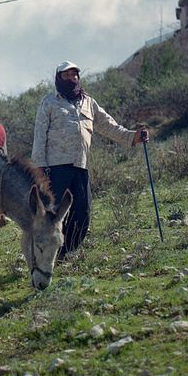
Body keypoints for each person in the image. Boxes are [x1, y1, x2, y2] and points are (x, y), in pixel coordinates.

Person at [31, 60, 148, 260]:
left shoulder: (89, 103)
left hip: (80, 166)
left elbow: (109, 126)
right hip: (55, 169)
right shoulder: (49, 102)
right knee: (53, 215)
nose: (71, 78)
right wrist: (39, 167)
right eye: (66, 75)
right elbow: (39, 135)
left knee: (83, 213)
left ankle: (66, 253)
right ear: (59, 78)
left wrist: (133, 137)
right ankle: (44, 257)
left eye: (74, 75)